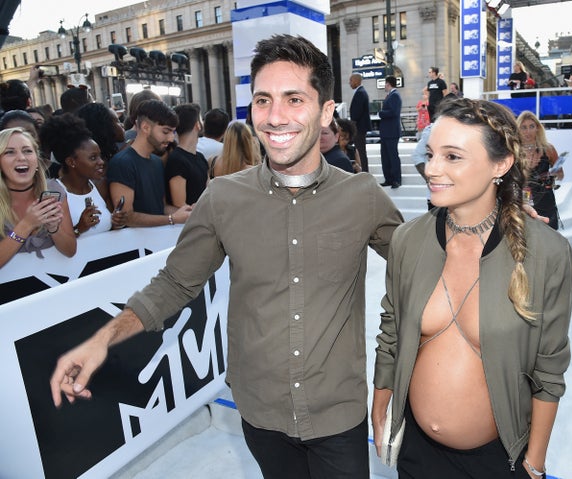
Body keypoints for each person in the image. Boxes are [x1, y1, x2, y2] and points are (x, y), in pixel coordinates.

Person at [50, 34, 403, 479]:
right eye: (262, 100)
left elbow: (420, 264)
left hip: (337, 415)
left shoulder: (362, 195)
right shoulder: (222, 198)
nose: (275, 117)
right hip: (260, 414)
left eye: (294, 99)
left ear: (326, 110)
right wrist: (102, 338)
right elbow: (175, 283)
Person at [372, 98, 572, 479]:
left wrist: (535, 461)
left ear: (500, 164)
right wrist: (379, 409)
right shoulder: (408, 241)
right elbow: (392, 334)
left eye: (452, 157)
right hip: (417, 456)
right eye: (431, 154)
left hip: (500, 461)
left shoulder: (547, 252)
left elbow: (550, 366)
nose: (431, 168)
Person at [106, 99, 192, 227]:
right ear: (145, 127)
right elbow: (127, 217)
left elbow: (160, 207)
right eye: (165, 131)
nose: (171, 138)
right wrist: (171, 219)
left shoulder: (157, 162)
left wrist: (190, 212)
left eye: (173, 132)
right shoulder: (122, 163)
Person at [39, 114, 127, 236]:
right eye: (93, 158)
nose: (101, 162)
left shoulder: (100, 186)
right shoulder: (54, 193)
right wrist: (79, 228)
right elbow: (51, 241)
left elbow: (109, 229)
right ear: (71, 162)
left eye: (99, 156)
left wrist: (117, 223)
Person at [0, 127, 76, 267]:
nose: (21, 158)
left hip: (55, 282)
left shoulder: (54, 190)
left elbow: (70, 250)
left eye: (27, 151)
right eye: (10, 152)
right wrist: (27, 224)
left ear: (36, 158)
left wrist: (54, 228)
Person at [517, 111, 563, 230]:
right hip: (523, 200)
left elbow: (561, 175)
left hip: (546, 200)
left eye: (531, 126)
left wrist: (553, 175)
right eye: (524, 127)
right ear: (518, 130)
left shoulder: (548, 149)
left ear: (537, 128)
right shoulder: (514, 151)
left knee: (549, 238)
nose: (528, 131)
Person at [165, 103, 208, 207]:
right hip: (187, 221)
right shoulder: (177, 160)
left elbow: (208, 192)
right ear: (197, 125)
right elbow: (179, 204)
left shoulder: (200, 157)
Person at [379, 75, 403, 188]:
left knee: (393, 156)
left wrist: (381, 113)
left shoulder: (395, 96)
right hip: (386, 132)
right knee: (385, 156)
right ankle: (388, 178)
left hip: (391, 132)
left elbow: (393, 112)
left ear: (388, 84)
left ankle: (396, 179)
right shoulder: (391, 95)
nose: (384, 86)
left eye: (385, 84)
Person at [348, 73, 371, 172]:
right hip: (359, 127)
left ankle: (364, 172)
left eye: (351, 81)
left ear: (356, 81)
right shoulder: (360, 92)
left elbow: (357, 113)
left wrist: (351, 125)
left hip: (359, 128)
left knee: (360, 152)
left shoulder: (360, 93)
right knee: (360, 151)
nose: (350, 83)